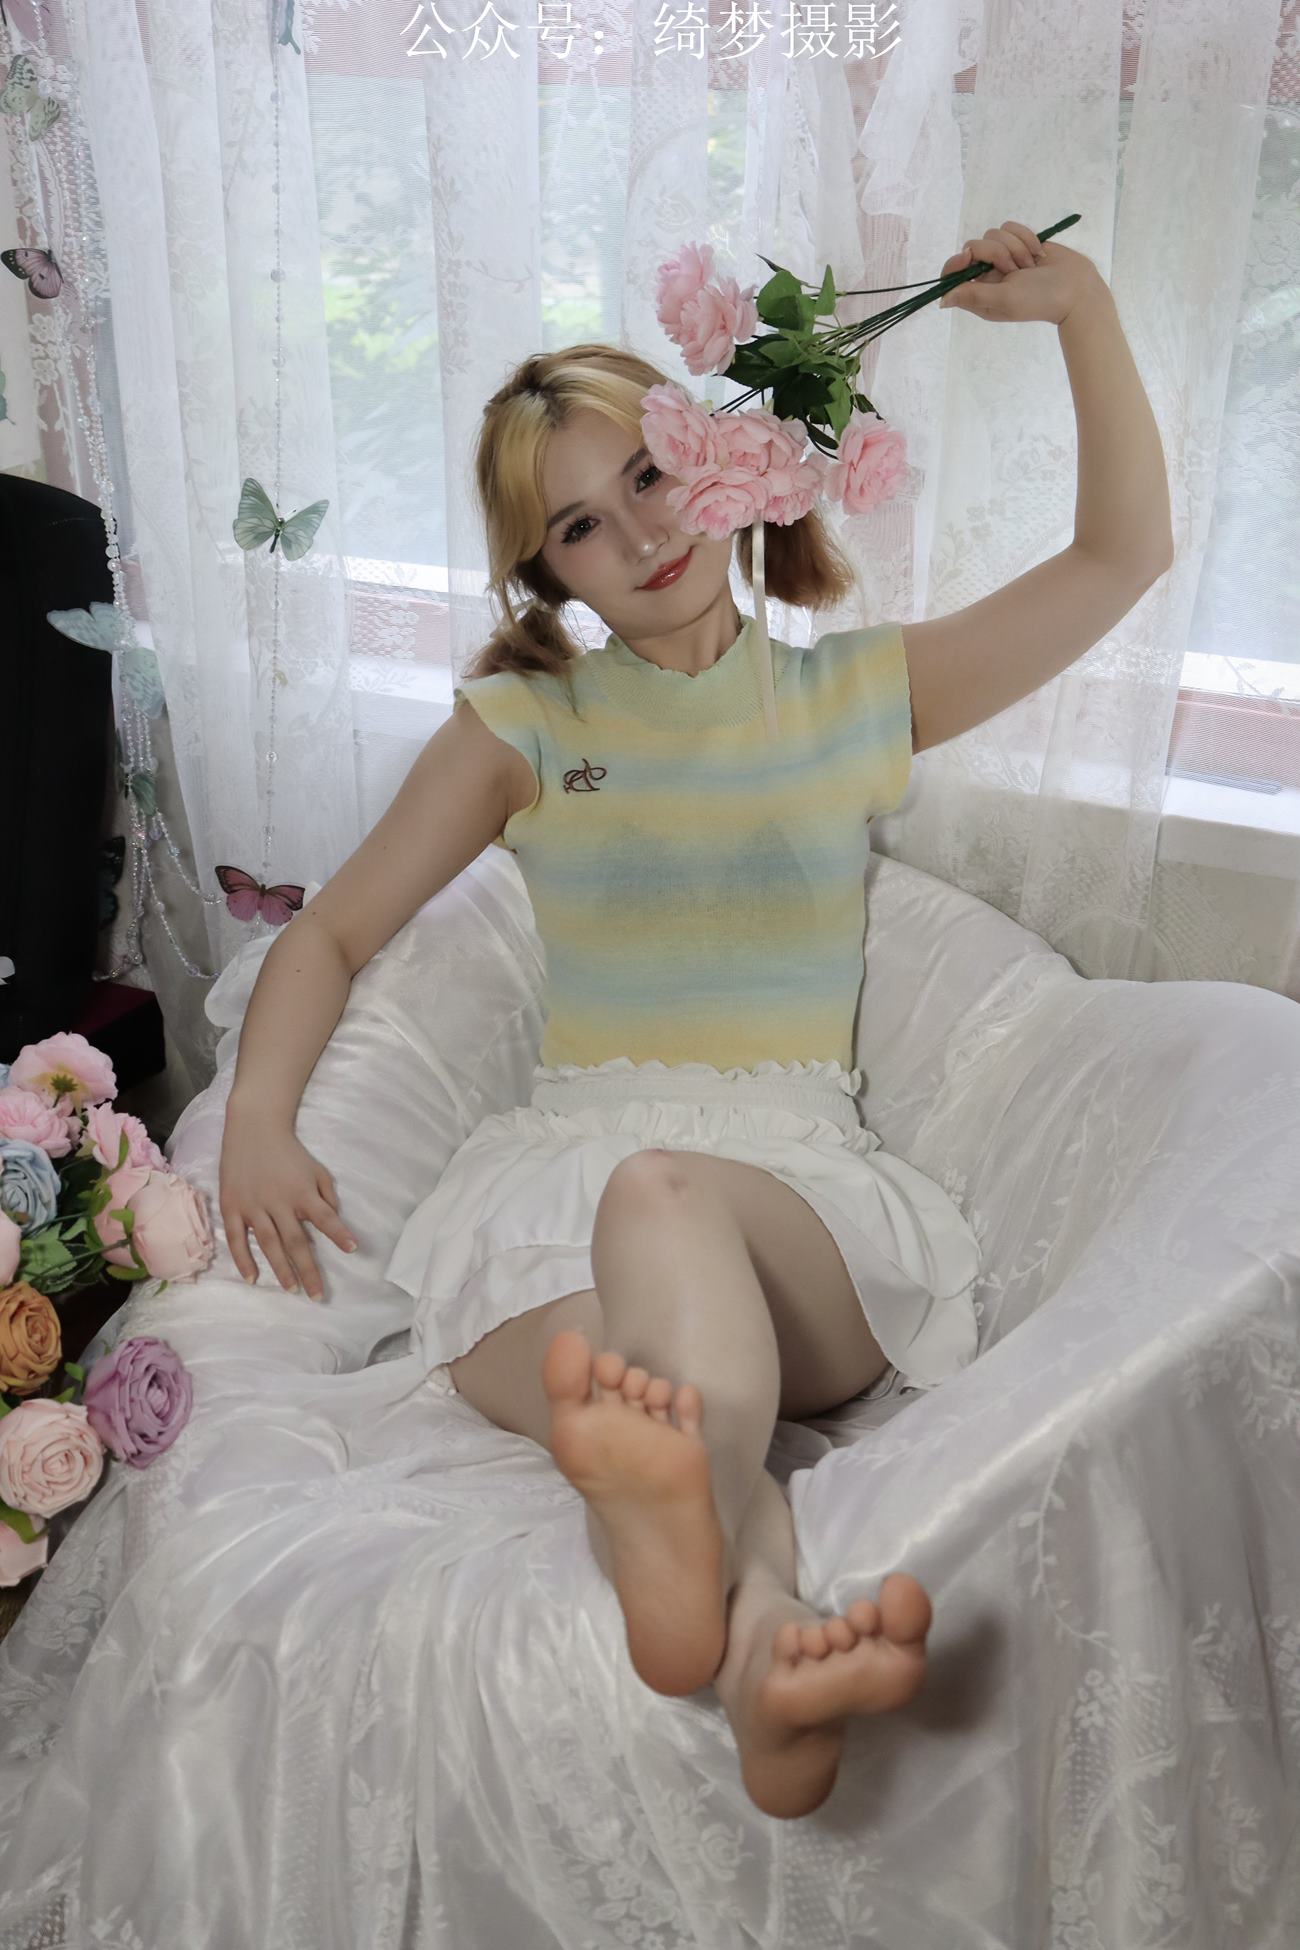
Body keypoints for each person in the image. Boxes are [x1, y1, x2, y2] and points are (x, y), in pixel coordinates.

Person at [217, 340, 983, 1823]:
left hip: (791, 1208)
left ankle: (671, 1526)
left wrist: (1074, 314)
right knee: (642, 1397)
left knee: (660, 1211)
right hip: (549, 1212)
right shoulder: (526, 727)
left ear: (719, 459)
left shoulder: (849, 693)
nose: (638, 535)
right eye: (579, 523)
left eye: (649, 474)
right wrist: (256, 1116)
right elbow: (331, 932)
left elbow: (1121, 558)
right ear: (545, 571)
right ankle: (761, 1651)